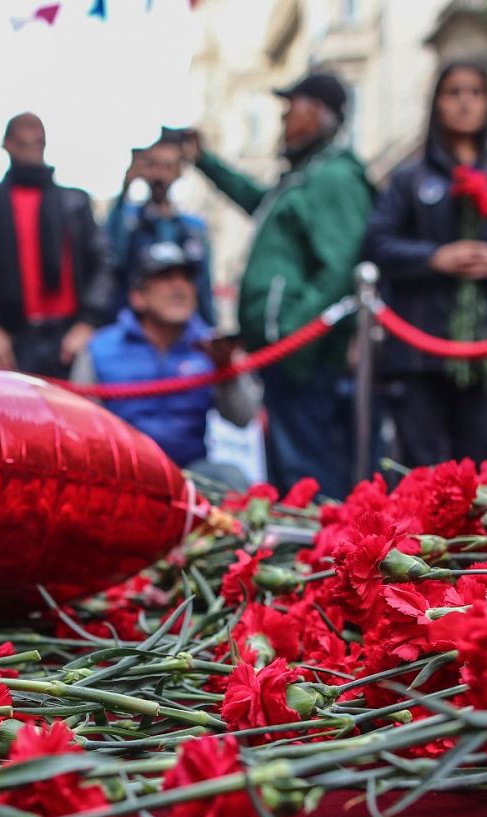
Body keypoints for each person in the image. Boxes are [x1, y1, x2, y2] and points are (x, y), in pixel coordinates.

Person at [187, 72, 374, 498]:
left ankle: (323, 559)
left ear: (315, 113)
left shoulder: (333, 177)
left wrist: (293, 331)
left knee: (308, 476)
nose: (284, 121)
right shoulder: (306, 177)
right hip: (288, 355)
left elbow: (339, 267)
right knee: (294, 473)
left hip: (304, 357)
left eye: (290, 110)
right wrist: (206, 161)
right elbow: (260, 201)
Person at [362, 60, 487, 470]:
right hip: (419, 352)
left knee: (483, 472)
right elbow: (377, 243)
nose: (465, 103)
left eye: (475, 93)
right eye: (454, 93)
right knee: (420, 469)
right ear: (437, 104)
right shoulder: (409, 179)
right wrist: (434, 258)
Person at [70, 241, 258, 482]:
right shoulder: (99, 349)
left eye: (186, 278)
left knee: (232, 478)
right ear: (138, 297)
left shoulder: (213, 346)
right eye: (165, 278)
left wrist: (226, 369)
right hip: (122, 475)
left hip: (189, 475)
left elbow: (243, 418)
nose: (179, 287)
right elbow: (79, 430)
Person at [0, 113, 112, 379]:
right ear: (7, 144)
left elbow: (104, 263)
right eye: (22, 138)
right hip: (10, 340)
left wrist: (88, 322)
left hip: (68, 341)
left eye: (36, 138)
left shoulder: (73, 202)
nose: (30, 142)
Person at [106, 138, 214, 325]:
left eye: (168, 167)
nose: (159, 175)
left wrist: (210, 328)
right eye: (153, 166)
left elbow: (203, 285)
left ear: (178, 172)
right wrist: (125, 190)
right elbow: (110, 254)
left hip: (181, 331)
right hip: (134, 328)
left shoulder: (192, 228)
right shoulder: (128, 219)